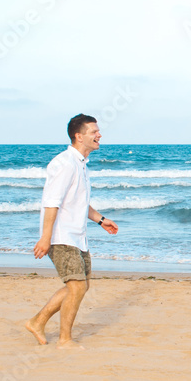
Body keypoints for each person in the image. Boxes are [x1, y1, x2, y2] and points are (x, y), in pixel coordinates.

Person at [26, 114, 118, 348]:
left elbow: (78, 201)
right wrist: (46, 238)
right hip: (62, 236)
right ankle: (65, 339)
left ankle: (37, 322)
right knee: (76, 286)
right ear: (79, 136)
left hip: (77, 236)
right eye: (93, 132)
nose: (99, 135)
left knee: (81, 285)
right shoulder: (65, 163)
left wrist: (101, 220)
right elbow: (52, 202)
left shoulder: (80, 164)